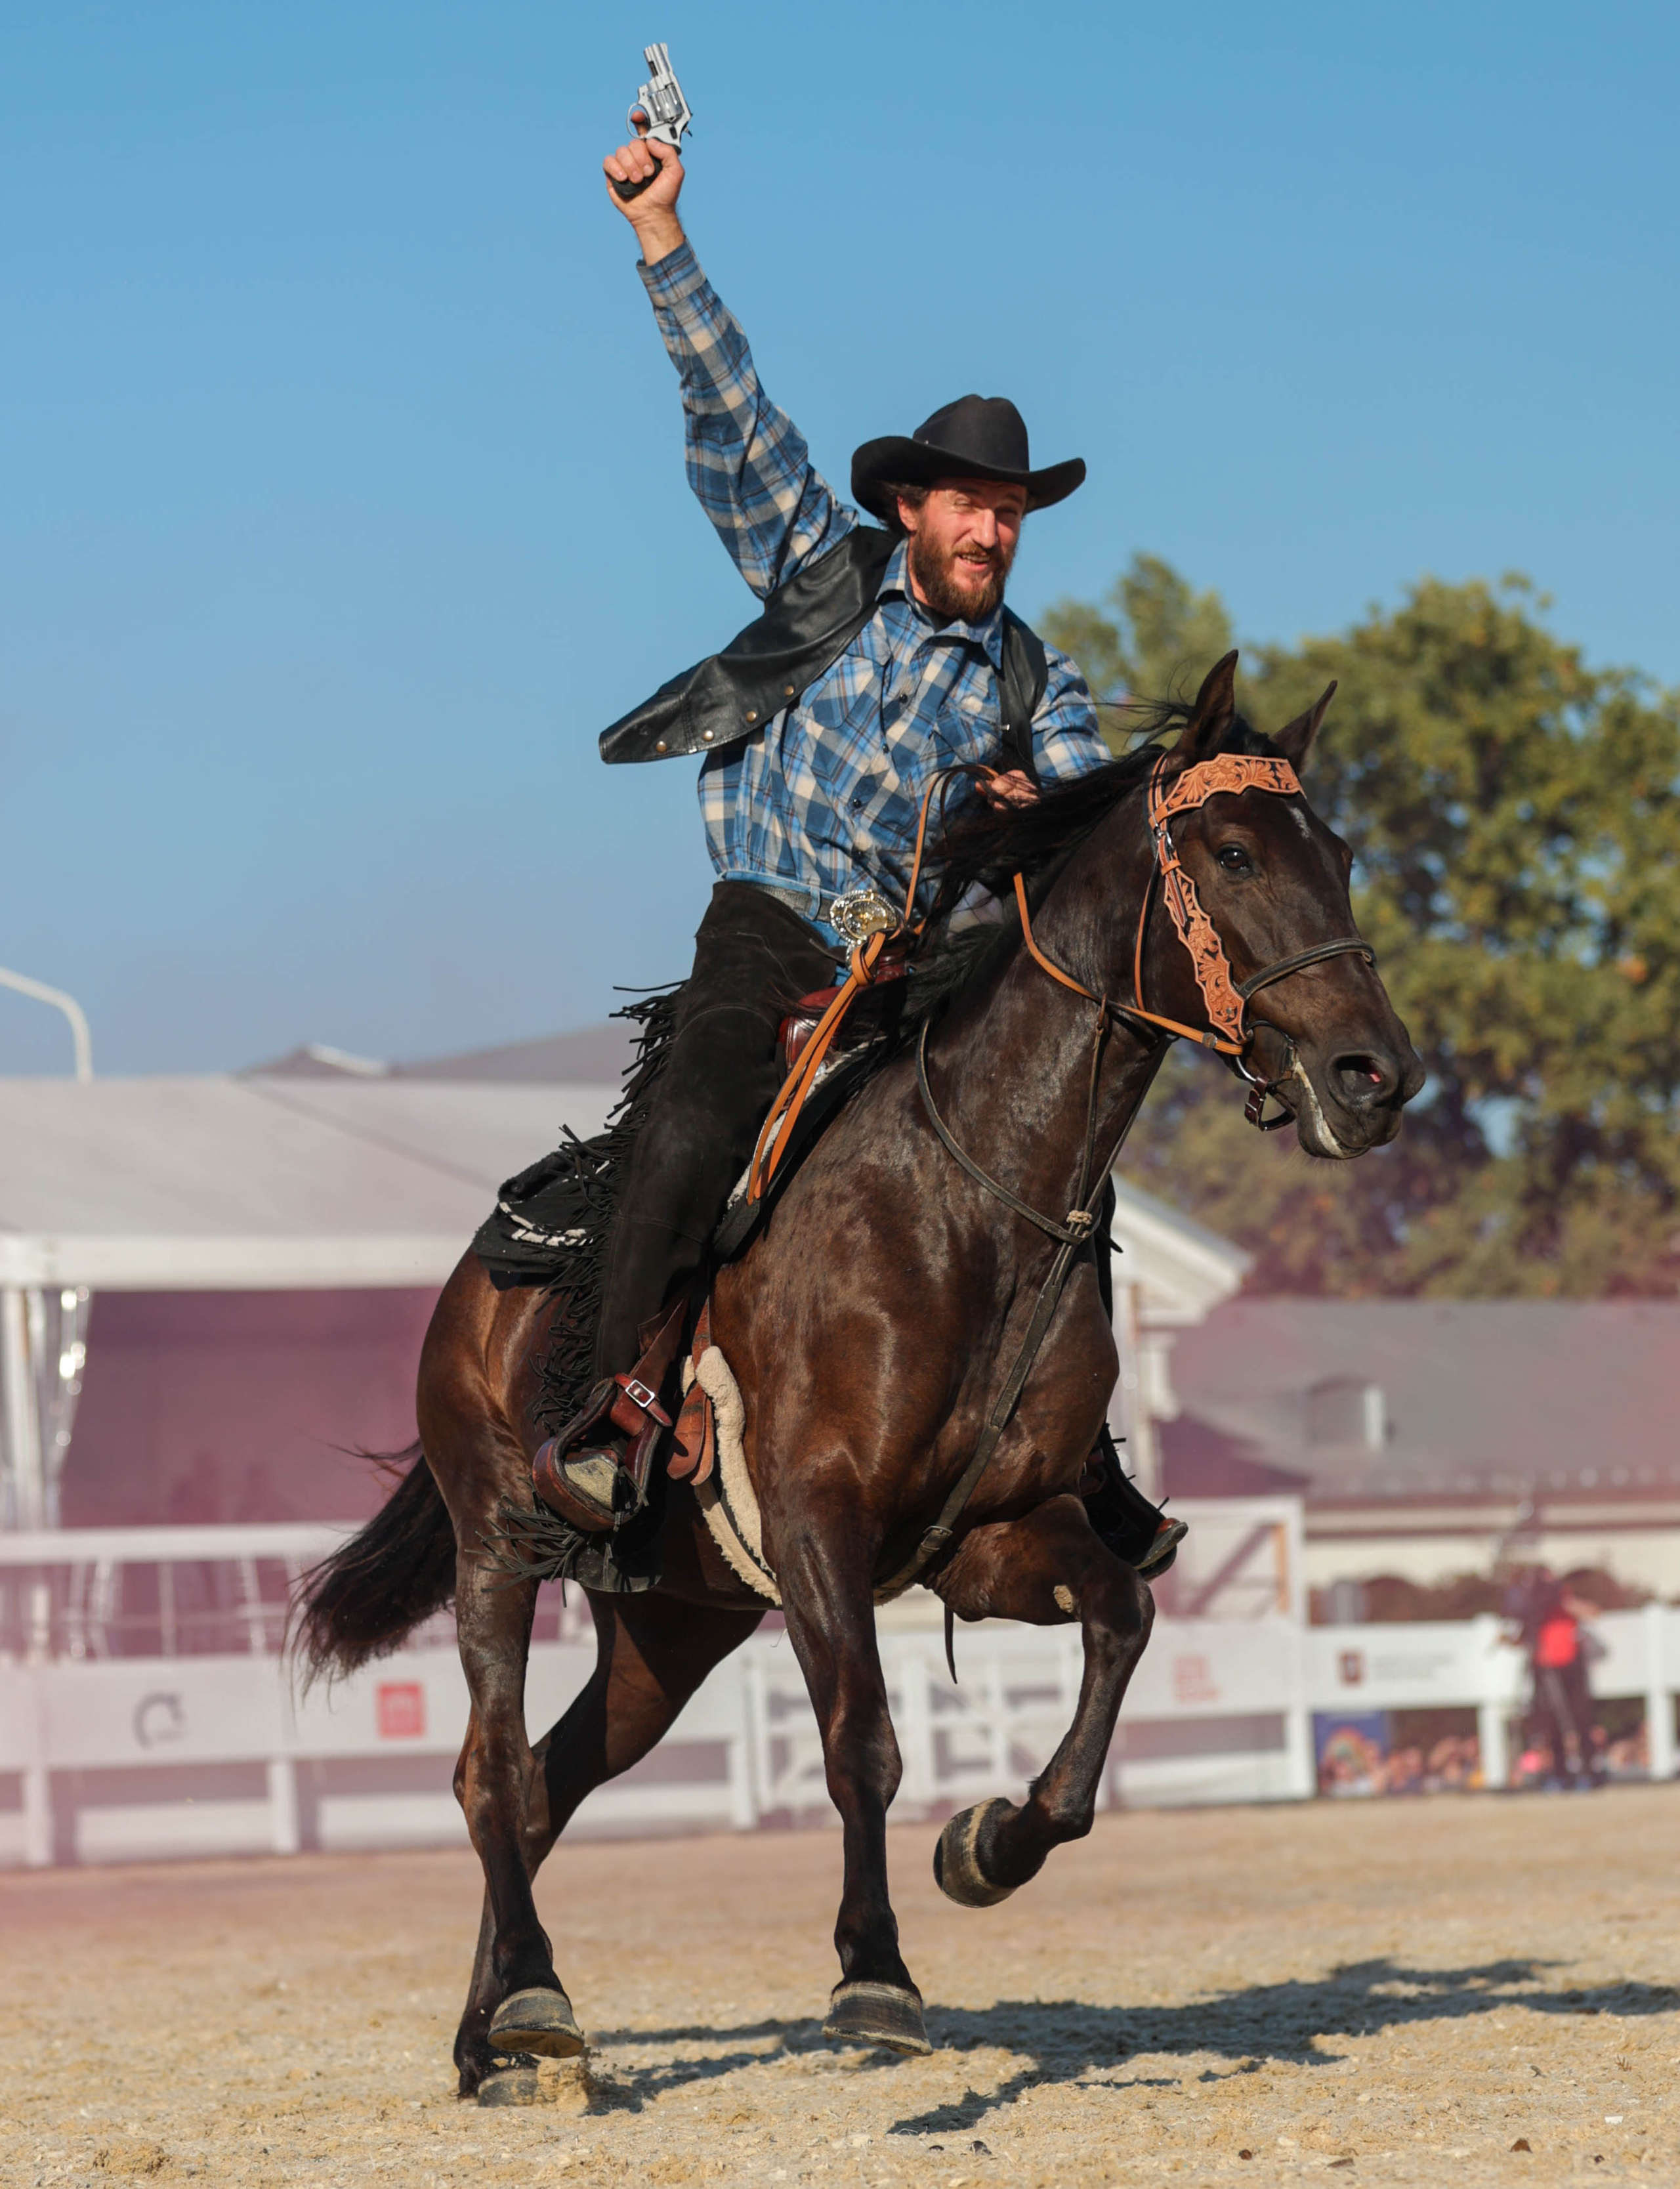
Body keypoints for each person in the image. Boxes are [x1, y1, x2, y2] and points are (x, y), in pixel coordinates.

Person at [536, 123, 1162, 1562]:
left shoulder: (1036, 686)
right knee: (696, 1108)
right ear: (910, 507)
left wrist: (1035, 832)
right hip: (771, 922)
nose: (990, 533)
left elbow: (1088, 842)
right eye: (968, 506)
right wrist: (660, 236)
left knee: (1070, 1155)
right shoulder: (827, 574)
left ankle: (1084, 1444)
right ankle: (620, 1398)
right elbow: (733, 415)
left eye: (1008, 514)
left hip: (921, 973)